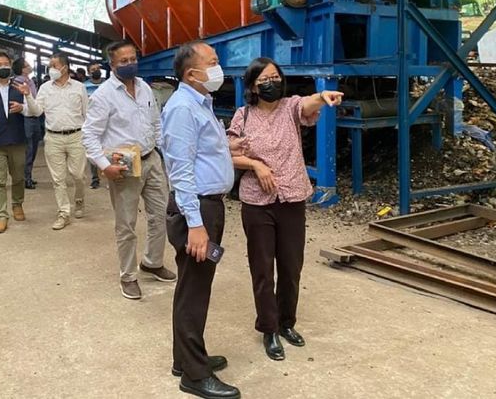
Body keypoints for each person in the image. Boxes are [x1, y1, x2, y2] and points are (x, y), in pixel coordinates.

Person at [228, 58, 343, 361]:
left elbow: (308, 104)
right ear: (253, 85)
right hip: (257, 203)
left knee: (291, 267)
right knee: (263, 269)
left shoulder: (291, 108)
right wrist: (255, 164)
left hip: (291, 199)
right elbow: (228, 153)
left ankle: (286, 322)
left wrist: (323, 96)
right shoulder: (242, 117)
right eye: (264, 79)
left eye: (276, 77)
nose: (271, 83)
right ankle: (269, 329)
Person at [160, 41, 240, 399]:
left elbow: (200, 153)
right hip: (197, 210)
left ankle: (187, 358)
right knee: (194, 291)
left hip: (208, 206)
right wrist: (195, 225)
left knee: (193, 287)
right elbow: (180, 171)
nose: (218, 67)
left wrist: (229, 150)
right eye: (213, 62)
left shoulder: (198, 103)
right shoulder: (182, 108)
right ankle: (194, 375)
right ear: (192, 74)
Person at [82, 41, 176, 299]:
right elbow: (89, 135)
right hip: (123, 166)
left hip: (151, 160)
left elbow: (156, 123)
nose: (129, 64)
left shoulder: (145, 87)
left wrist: (162, 154)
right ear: (111, 65)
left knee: (160, 216)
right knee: (126, 224)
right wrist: (104, 165)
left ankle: (152, 262)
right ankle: (128, 275)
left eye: (132, 58)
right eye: (123, 61)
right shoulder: (103, 95)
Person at [0, 50, 41, 233]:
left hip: (17, 139)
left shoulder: (19, 87)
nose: (3, 67)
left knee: (18, 176)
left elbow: (32, 111)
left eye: (6, 64)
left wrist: (23, 105)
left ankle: (17, 204)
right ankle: (1, 215)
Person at [36, 52, 88, 230]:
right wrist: (27, 96)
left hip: (76, 136)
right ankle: (64, 213)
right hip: (53, 137)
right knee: (58, 179)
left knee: (78, 175)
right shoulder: (44, 88)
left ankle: (79, 200)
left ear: (65, 67)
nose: (51, 69)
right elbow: (36, 111)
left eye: (54, 65)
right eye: (50, 65)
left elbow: (87, 113)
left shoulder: (79, 87)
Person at [13, 57, 42, 189]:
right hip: (26, 118)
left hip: (35, 117)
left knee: (34, 148)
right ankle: (26, 178)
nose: (30, 66)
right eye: (27, 65)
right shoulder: (17, 83)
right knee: (28, 149)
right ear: (22, 69)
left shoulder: (29, 82)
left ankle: (28, 175)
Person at [85, 62, 106, 189]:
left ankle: (109, 176)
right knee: (93, 151)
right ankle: (95, 179)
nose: (96, 71)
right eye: (93, 70)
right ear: (89, 72)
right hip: (92, 122)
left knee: (108, 150)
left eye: (98, 69)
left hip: (107, 121)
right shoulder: (84, 86)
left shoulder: (108, 85)